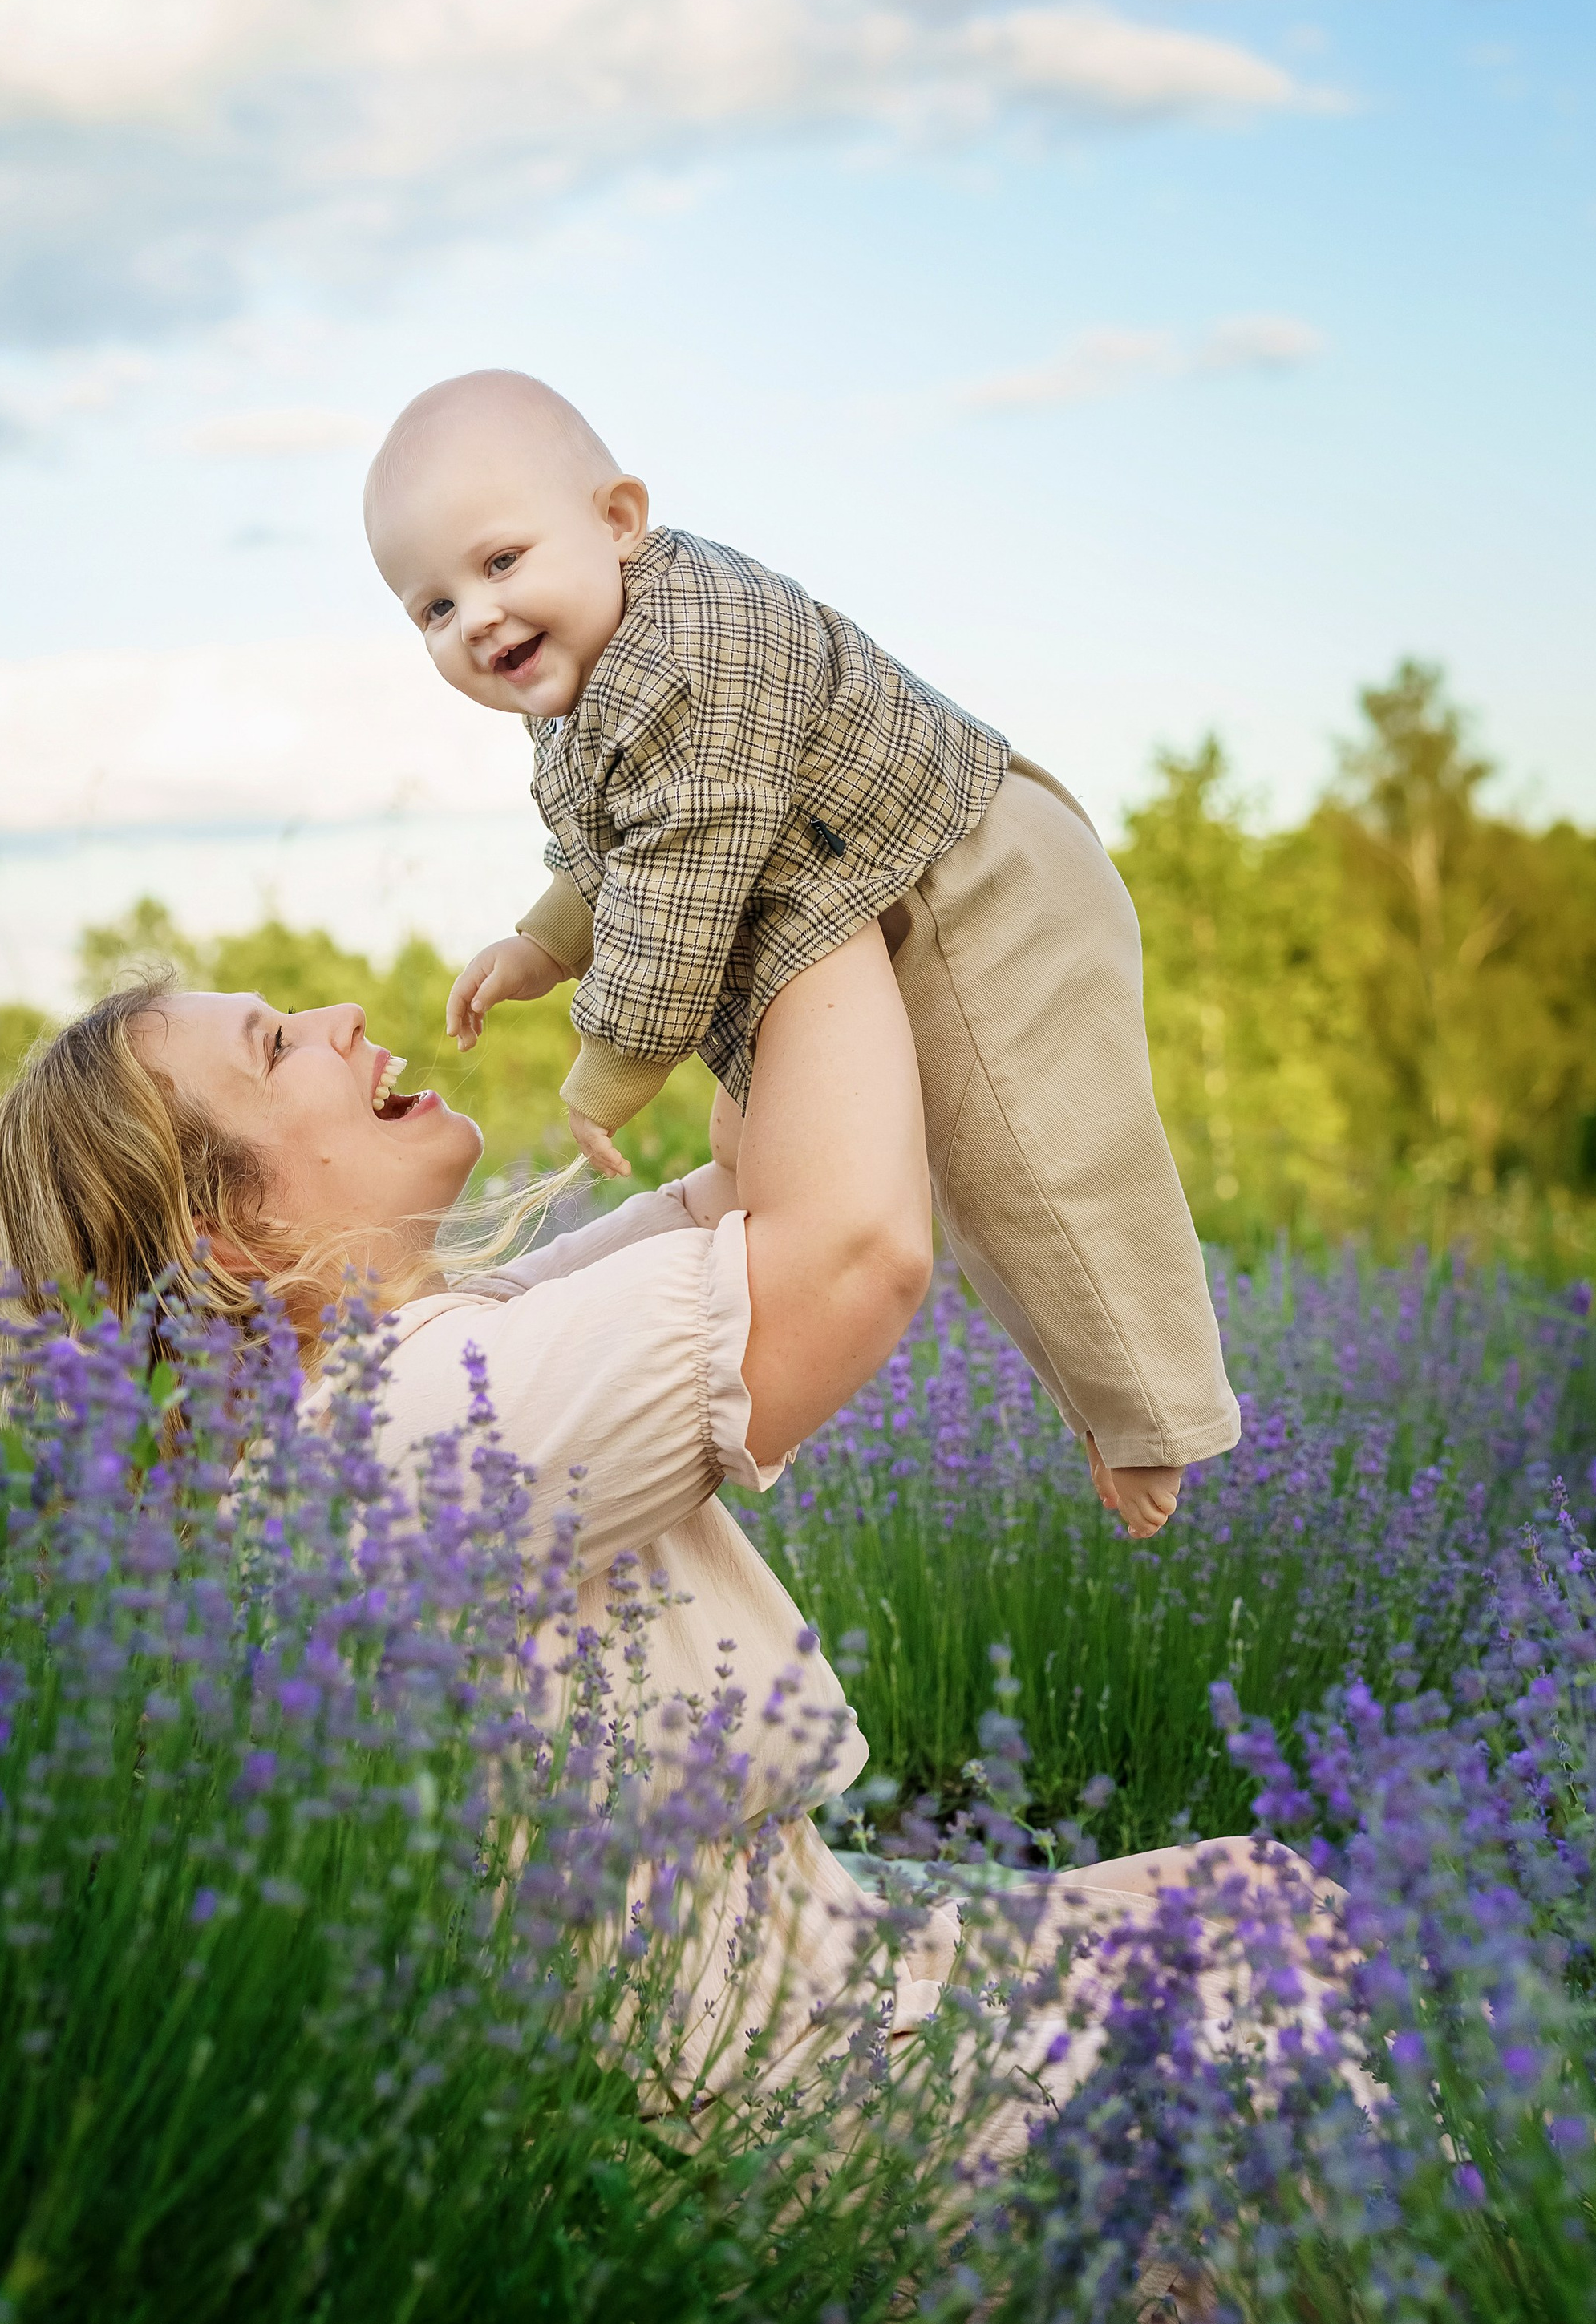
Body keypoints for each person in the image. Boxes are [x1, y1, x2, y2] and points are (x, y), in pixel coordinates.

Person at [0, 920, 1330, 2175]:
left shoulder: (381, 1389)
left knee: (1256, 1903)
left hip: (809, 1991)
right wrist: (827, 844)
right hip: (792, 2104)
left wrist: (728, 887)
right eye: (275, 1047)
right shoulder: (422, 1431)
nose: (336, 1014)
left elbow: (750, 1178)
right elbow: (853, 1252)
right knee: (1298, 2002)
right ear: (228, 1233)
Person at [361, 369, 1240, 1547]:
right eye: (432, 607)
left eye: (502, 562)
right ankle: (1102, 1388)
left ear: (617, 522)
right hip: (861, 892)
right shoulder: (584, 683)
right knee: (893, 1171)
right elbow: (632, 838)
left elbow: (682, 874)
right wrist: (541, 941)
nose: (475, 616)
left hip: (972, 881)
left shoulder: (685, 652)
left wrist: (608, 1065)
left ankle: (1151, 1414)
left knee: (1039, 1158)